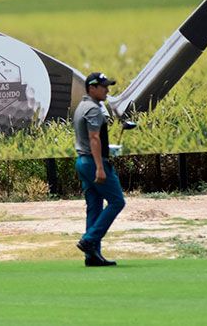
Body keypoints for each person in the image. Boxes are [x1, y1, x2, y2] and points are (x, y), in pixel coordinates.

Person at [73, 72, 126, 267]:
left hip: (83, 161)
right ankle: (89, 240)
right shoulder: (94, 109)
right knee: (117, 201)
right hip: (93, 163)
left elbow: (90, 139)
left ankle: (92, 256)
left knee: (94, 207)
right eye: (103, 87)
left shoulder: (82, 107)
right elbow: (94, 138)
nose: (107, 90)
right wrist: (100, 167)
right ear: (91, 88)